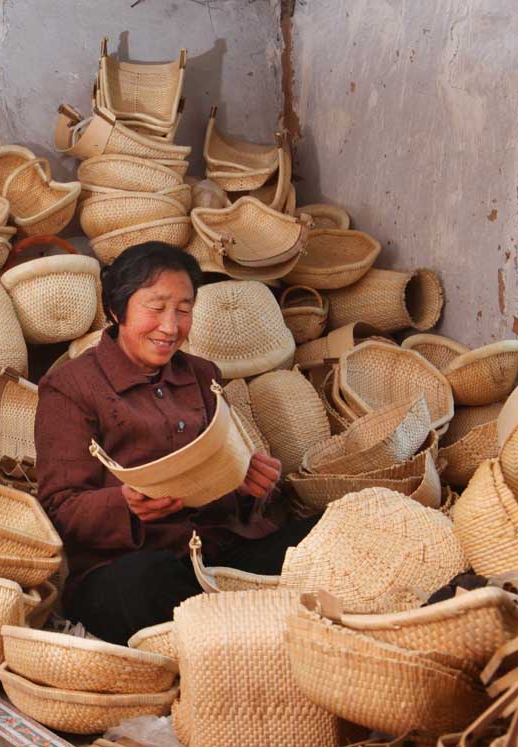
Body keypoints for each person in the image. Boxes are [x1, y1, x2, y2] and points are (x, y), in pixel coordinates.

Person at [34, 242, 316, 644]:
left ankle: (237, 627)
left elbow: (230, 482)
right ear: (116, 310)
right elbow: (60, 507)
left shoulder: (202, 375)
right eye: (156, 308)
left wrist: (245, 483)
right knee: (144, 583)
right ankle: (248, 630)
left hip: (220, 554)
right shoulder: (70, 388)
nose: (171, 327)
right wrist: (125, 505)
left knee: (328, 531)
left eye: (184, 310)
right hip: (129, 566)